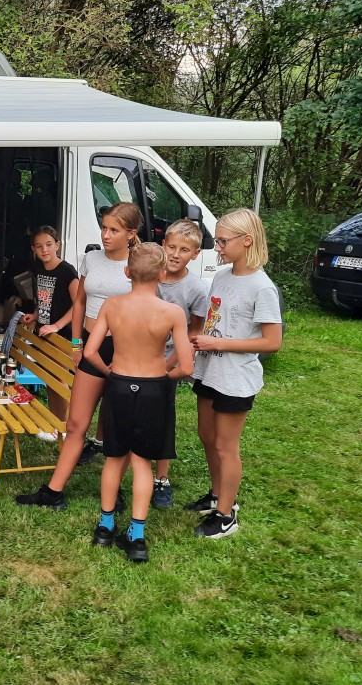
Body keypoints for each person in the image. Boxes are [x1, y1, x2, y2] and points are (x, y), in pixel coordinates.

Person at [15, 202, 143, 510]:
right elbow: (81, 302)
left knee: (116, 425)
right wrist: (76, 343)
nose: (106, 235)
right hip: (88, 345)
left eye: (114, 230)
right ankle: (52, 493)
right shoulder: (91, 258)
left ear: (131, 233)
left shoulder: (139, 263)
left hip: (123, 350)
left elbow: (145, 308)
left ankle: (114, 491)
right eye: (104, 228)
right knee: (75, 424)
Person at [84, 243, 194, 562]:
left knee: (114, 459)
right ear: (162, 274)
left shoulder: (112, 306)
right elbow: (186, 366)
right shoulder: (172, 312)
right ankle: (137, 535)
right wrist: (164, 378)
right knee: (142, 462)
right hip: (153, 389)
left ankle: (105, 528)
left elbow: (90, 351)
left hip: (119, 384)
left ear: (127, 272)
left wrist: (110, 373)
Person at [185, 208, 282, 539]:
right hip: (209, 371)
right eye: (217, 240)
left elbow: (272, 341)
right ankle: (217, 496)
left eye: (223, 241)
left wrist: (218, 342)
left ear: (247, 240)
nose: (217, 247)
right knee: (207, 435)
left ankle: (226, 515)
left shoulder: (262, 287)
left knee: (226, 447)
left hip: (236, 379)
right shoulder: (222, 276)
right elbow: (214, 320)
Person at [151, 218, 209, 508]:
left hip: (168, 363)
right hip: (136, 358)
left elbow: (194, 332)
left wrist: (169, 365)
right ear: (163, 245)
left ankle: (161, 479)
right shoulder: (149, 274)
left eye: (184, 250)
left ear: (195, 254)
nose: (175, 254)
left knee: (162, 419)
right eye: (171, 247)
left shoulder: (197, 289)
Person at [19, 225, 79, 438]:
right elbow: (44, 299)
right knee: (50, 380)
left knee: (59, 381)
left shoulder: (67, 271)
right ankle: (55, 425)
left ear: (57, 245)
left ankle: (65, 428)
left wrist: (57, 326)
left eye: (48, 244)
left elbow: (79, 305)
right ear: (33, 249)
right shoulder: (38, 268)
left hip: (62, 335)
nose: (44, 250)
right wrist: (36, 315)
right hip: (45, 332)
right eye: (39, 246)